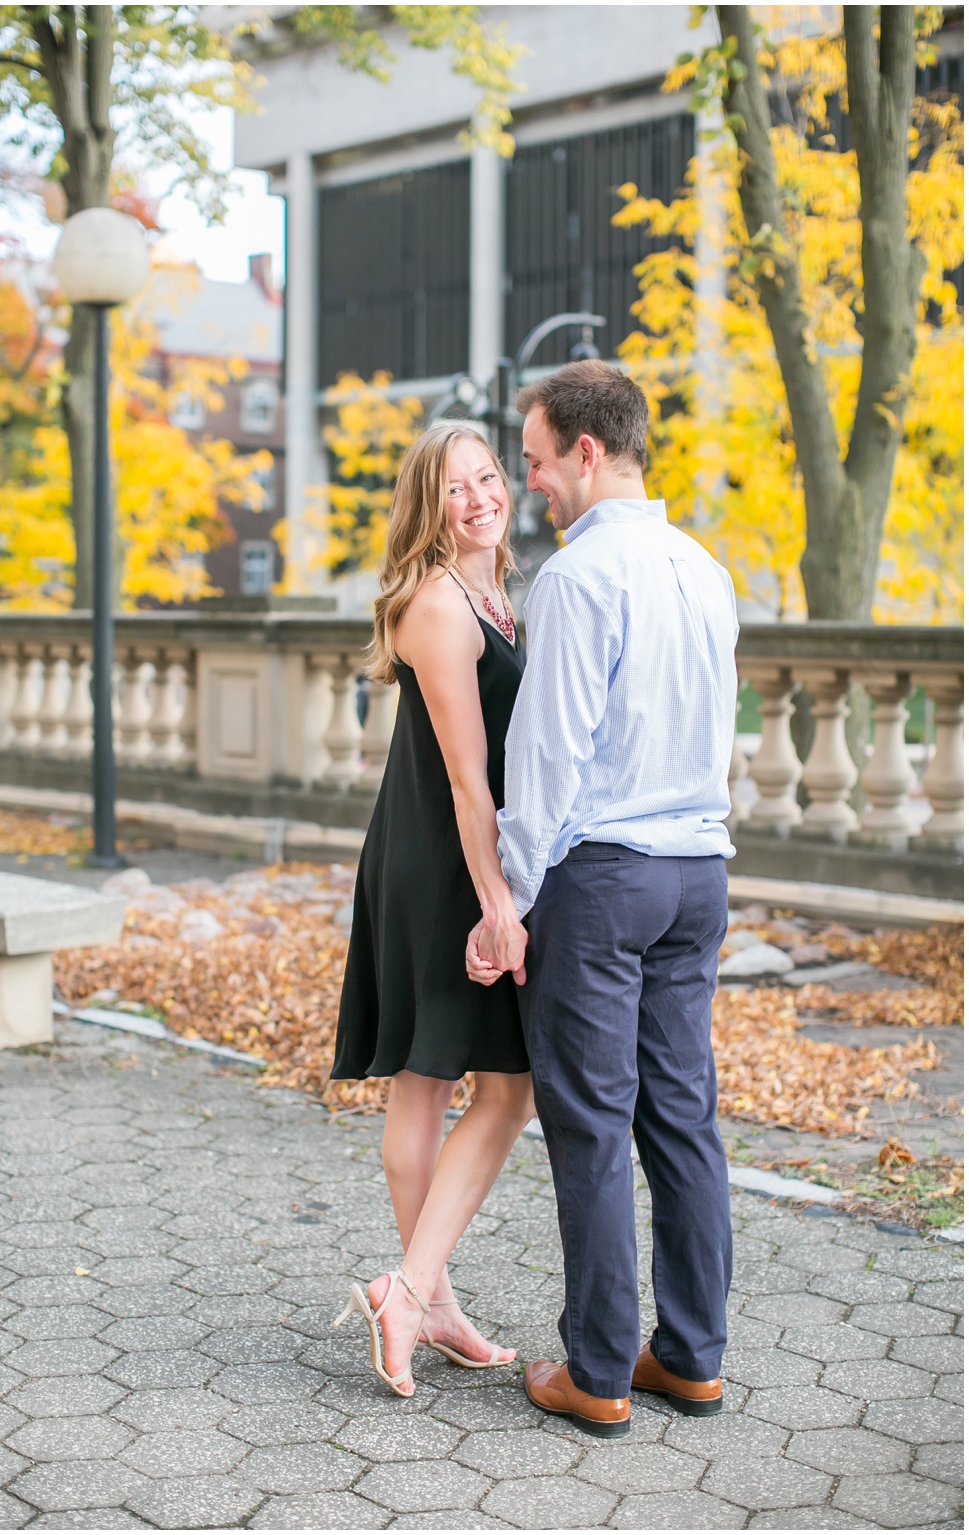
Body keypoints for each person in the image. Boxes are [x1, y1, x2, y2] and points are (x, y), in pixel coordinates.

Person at [466, 360, 739, 1438]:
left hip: (602, 878)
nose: (529, 484)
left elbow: (548, 760)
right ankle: (690, 1355)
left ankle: (595, 1372)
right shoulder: (704, 569)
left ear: (585, 450)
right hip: (695, 874)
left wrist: (507, 902)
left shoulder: (575, 579)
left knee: (586, 1126)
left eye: (533, 463)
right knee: (682, 1117)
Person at [328, 420, 536, 1398]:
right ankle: (420, 1291)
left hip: (456, 852)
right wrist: (495, 902)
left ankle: (423, 1294)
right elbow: (464, 777)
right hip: (440, 861)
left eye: (487, 476)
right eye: (454, 487)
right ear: (427, 505)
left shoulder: (496, 594)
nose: (478, 497)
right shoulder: (439, 603)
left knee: (477, 1084)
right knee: (456, 1081)